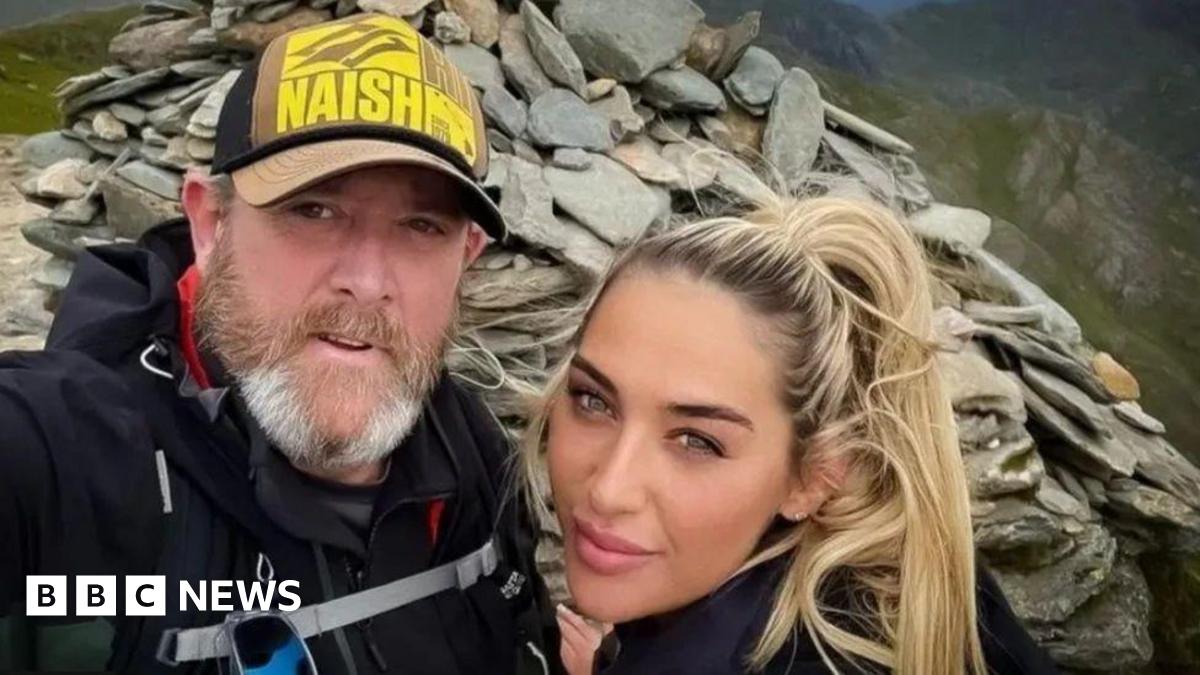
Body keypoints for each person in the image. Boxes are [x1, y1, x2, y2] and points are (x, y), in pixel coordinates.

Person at [0, 13, 558, 675]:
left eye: (421, 225)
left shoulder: (471, 450)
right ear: (210, 224)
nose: (367, 283)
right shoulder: (68, 452)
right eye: (312, 209)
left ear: (466, 256)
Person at [521, 174, 1062, 674]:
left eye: (697, 441)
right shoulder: (915, 589)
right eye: (594, 401)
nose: (610, 489)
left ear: (812, 479)